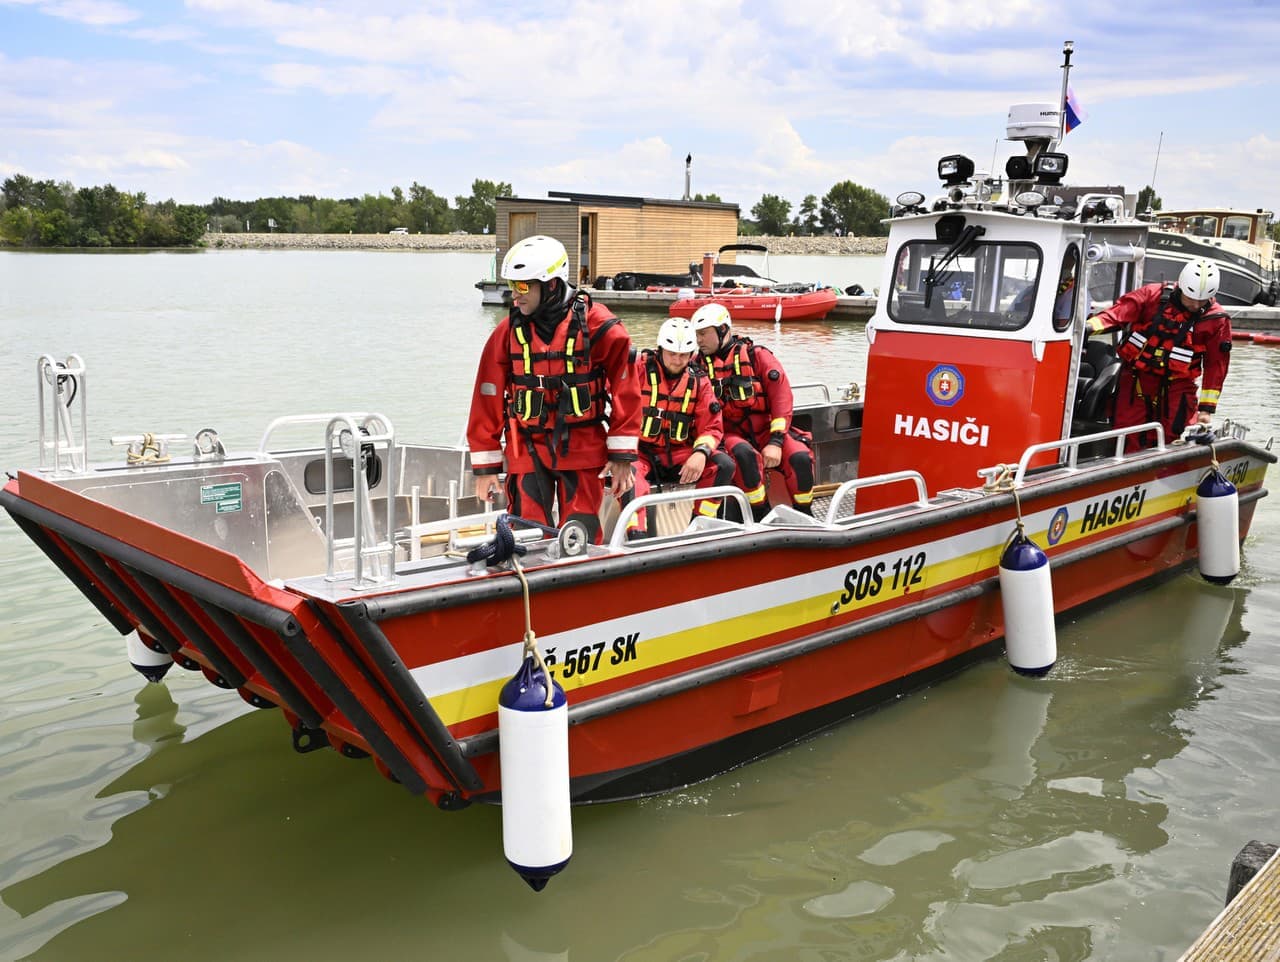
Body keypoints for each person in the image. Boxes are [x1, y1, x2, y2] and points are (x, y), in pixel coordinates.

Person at [467, 235, 641, 542]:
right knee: (527, 535)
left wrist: (623, 457)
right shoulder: (507, 332)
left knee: (580, 535)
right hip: (527, 448)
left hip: (583, 447)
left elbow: (627, 387)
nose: (514, 295)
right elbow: (487, 394)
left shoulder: (600, 325)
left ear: (550, 285)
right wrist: (486, 468)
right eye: (511, 285)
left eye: (523, 286)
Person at [1086, 256, 1231, 451]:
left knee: (1175, 433)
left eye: (1201, 300)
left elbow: (1216, 366)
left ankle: (1167, 475)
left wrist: (1206, 410)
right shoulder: (1151, 296)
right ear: (1181, 287)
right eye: (1191, 299)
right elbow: (1118, 314)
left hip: (1178, 386)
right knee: (1127, 432)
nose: (1196, 306)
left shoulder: (1216, 319)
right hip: (1137, 380)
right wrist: (1087, 327)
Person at [691, 303, 815, 521]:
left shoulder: (757, 356)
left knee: (800, 457)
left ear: (722, 330)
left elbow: (782, 398)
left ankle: (805, 513)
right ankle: (760, 512)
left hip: (768, 431)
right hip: (730, 434)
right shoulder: (695, 367)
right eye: (696, 335)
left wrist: (776, 442)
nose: (698, 340)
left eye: (703, 334)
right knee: (744, 455)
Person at [625, 317, 736, 537]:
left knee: (723, 465)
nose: (677, 360)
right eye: (672, 354)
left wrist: (701, 452)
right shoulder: (638, 369)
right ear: (660, 350)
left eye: (684, 355)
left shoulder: (699, 381)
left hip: (677, 453)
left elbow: (712, 427)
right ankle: (637, 535)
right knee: (631, 474)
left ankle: (701, 524)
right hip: (640, 452)